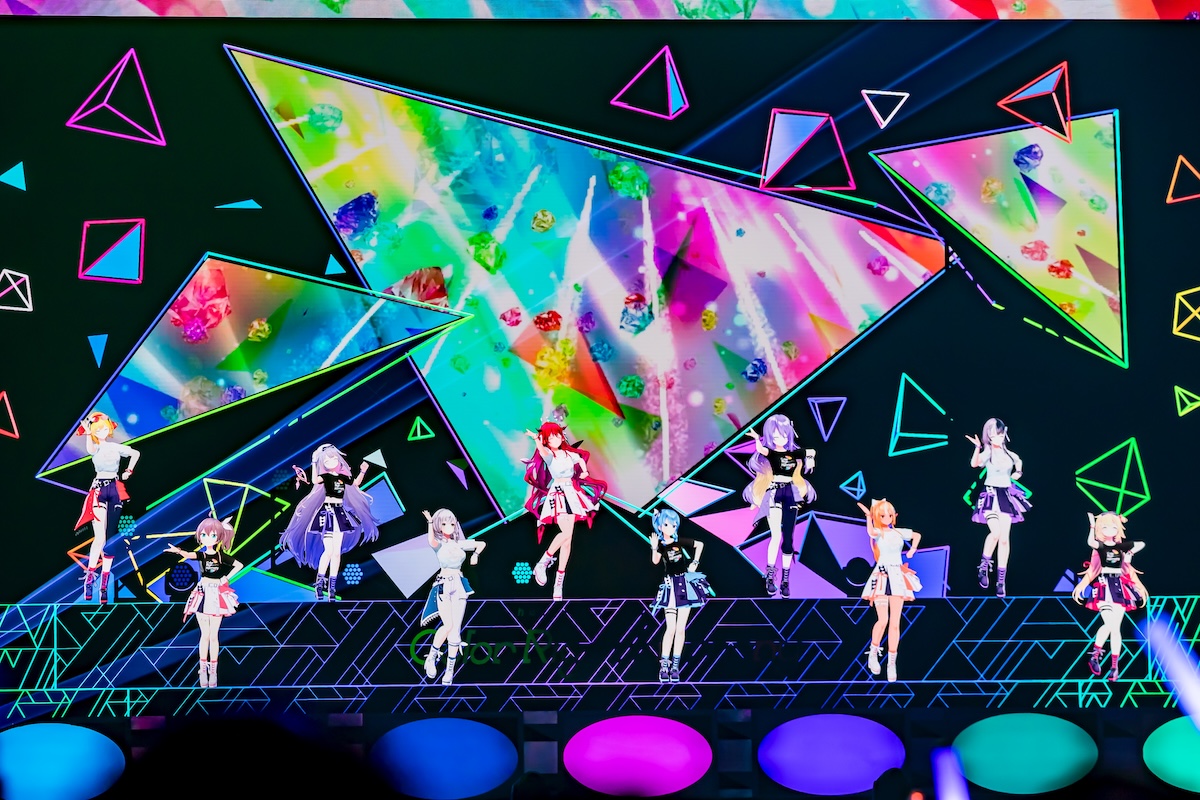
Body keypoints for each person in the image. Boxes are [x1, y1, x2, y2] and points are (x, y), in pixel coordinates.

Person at [279, 443, 380, 601]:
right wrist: (313, 461)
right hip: (327, 513)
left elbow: (355, 484)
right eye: (326, 460)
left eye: (333, 458)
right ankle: (319, 584)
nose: (331, 462)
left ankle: (332, 587)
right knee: (329, 551)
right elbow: (314, 480)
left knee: (336, 552)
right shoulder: (325, 477)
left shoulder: (343, 477)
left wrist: (363, 471)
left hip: (339, 513)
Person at [524, 422, 607, 600]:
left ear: (561, 436)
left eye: (556, 435)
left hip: (571, 493)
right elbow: (542, 451)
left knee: (568, 540)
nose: (554, 439)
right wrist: (536, 439)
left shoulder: (569, 454)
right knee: (566, 533)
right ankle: (543, 562)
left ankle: (558, 582)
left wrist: (585, 472)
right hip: (559, 494)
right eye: (550, 437)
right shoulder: (549, 455)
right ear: (546, 441)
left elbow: (580, 460)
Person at [743, 414, 816, 597]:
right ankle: (769, 577)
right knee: (775, 536)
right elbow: (761, 449)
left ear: (789, 433)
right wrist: (756, 438)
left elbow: (811, 451)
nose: (779, 438)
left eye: (783, 434)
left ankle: (785, 580)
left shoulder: (793, 453)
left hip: (790, 493)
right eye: (775, 435)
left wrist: (810, 459)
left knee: (788, 539)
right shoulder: (772, 453)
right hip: (775, 492)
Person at [167, 517, 242, 688]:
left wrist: (225, 578)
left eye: (212, 535)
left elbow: (239, 565)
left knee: (213, 635)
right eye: (204, 535)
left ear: (218, 537)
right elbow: (189, 555)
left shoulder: (220, 555)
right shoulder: (201, 555)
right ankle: (203, 669)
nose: (207, 538)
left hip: (216, 593)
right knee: (205, 635)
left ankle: (213, 671)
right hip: (203, 592)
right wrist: (178, 551)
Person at [73, 412, 140, 604]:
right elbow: (90, 450)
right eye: (98, 429)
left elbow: (135, 453)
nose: (101, 431)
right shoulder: (96, 447)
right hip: (98, 489)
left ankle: (104, 583)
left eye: (104, 428)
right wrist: (88, 432)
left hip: (115, 489)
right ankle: (89, 579)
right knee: (100, 537)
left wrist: (128, 471)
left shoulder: (115, 447)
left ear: (109, 429)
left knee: (110, 539)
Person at [1072, 512, 1147, 682]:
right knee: (1111, 625)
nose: (1109, 530)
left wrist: (1130, 553)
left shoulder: (1121, 547)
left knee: (1115, 627)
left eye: (1113, 526)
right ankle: (1097, 656)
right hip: (1104, 585)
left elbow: (1141, 544)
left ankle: (1113, 666)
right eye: (1105, 527)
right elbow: (1090, 542)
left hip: (1119, 587)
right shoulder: (1099, 546)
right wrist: (1092, 524)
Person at [858, 499, 922, 683]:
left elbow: (917, 535)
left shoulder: (899, 532)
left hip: (897, 576)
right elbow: (871, 532)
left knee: (895, 623)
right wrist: (868, 517)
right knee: (883, 619)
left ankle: (891, 662)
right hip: (882, 575)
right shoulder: (879, 533)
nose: (887, 517)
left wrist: (912, 550)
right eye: (882, 515)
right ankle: (873, 653)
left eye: (889, 514)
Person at [420, 508, 486, 686]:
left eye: (451, 522)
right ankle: (431, 657)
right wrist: (429, 522)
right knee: (448, 625)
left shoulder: (459, 544)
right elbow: (431, 540)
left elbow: (481, 544)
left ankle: (450, 670)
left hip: (459, 585)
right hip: (443, 584)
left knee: (455, 631)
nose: (449, 526)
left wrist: (475, 555)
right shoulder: (439, 544)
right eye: (444, 523)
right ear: (438, 525)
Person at [966, 418, 1031, 598]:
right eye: (994, 435)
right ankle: (983, 566)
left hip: (1005, 495)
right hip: (990, 494)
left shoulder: (1009, 454)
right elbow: (975, 464)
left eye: (1000, 435)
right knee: (995, 533)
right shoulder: (988, 452)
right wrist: (977, 447)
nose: (998, 438)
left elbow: (1018, 461)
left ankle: (1001, 580)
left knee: (1004, 539)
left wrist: (1018, 473)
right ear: (989, 436)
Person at [649, 508, 712, 683]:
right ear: (660, 526)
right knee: (670, 628)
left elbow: (700, 544)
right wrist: (654, 547)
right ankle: (664, 666)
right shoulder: (662, 545)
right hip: (670, 587)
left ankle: (675, 667)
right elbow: (655, 561)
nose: (671, 527)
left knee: (680, 629)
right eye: (667, 524)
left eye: (673, 525)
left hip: (684, 586)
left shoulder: (679, 542)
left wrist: (694, 563)